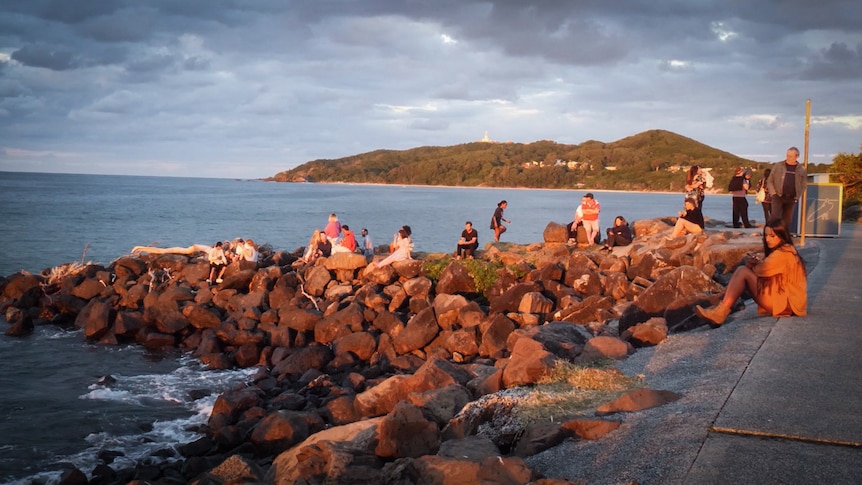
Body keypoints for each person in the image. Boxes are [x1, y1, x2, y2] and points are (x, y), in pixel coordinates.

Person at [695, 219, 807, 326]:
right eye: (766, 235)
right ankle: (720, 309)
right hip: (787, 302)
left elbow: (762, 270)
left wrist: (753, 264)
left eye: (772, 236)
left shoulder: (784, 253)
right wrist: (755, 263)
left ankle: (721, 312)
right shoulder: (787, 250)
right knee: (742, 271)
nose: (768, 239)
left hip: (786, 304)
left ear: (782, 236)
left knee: (742, 271)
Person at [767, 146, 808, 229]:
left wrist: (798, 195)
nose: (788, 158)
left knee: (787, 220)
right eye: (787, 155)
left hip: (791, 198)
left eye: (790, 156)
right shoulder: (778, 166)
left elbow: (804, 184)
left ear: (797, 156)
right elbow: (770, 180)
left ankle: (783, 237)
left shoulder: (801, 169)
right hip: (778, 195)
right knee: (774, 217)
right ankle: (768, 235)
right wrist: (773, 193)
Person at [131, 243, 212, 255]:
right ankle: (139, 248)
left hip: (180, 250)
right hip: (180, 250)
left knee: (160, 251)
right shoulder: (210, 250)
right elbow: (195, 246)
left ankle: (140, 248)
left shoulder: (209, 249)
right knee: (160, 251)